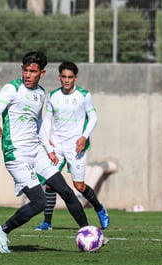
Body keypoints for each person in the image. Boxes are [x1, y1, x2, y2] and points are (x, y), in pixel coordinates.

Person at [0, 51, 89, 254]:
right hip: (16, 153)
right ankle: (1, 231)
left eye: (32, 71)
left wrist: (48, 149)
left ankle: (89, 232)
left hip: (36, 151)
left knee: (66, 191)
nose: (27, 74)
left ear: (41, 72)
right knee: (39, 202)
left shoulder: (41, 93)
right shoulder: (11, 88)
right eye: (25, 70)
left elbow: (39, 122)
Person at [35, 61, 110, 231]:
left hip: (76, 146)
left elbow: (93, 119)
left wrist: (84, 137)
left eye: (70, 77)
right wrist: (47, 143)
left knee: (79, 185)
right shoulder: (53, 96)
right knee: (50, 181)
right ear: (59, 77)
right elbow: (47, 120)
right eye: (63, 77)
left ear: (75, 78)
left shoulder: (84, 96)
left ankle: (99, 208)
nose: (66, 80)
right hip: (57, 144)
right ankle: (47, 222)